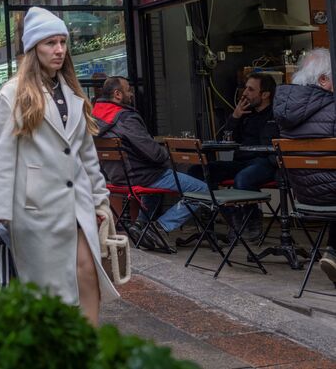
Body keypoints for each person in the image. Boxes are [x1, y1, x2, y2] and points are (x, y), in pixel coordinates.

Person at [0, 7, 119, 325]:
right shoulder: (11, 95)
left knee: (88, 272)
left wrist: (101, 200)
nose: (59, 50)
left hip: (77, 202)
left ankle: (88, 347)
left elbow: (87, 154)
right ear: (34, 47)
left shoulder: (73, 92)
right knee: (47, 292)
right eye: (50, 43)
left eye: (62, 42)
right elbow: (3, 156)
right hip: (36, 208)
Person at [93, 76, 210, 249]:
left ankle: (141, 225)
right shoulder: (125, 118)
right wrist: (166, 156)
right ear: (117, 94)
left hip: (118, 177)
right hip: (142, 176)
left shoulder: (95, 116)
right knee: (203, 191)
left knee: (155, 182)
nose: (131, 94)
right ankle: (159, 227)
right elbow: (153, 153)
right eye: (128, 90)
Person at [273, 49, 336, 284]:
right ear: (322, 80)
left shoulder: (285, 114)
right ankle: (333, 251)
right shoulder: (332, 108)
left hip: (304, 197)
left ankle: (333, 251)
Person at [193, 73, 280, 241]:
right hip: (241, 162)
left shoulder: (276, 115)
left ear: (265, 94)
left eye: (250, 89)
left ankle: (252, 221)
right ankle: (232, 217)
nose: (244, 93)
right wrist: (235, 117)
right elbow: (228, 138)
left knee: (243, 178)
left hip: (265, 162)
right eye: (245, 87)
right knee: (198, 170)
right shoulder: (245, 114)